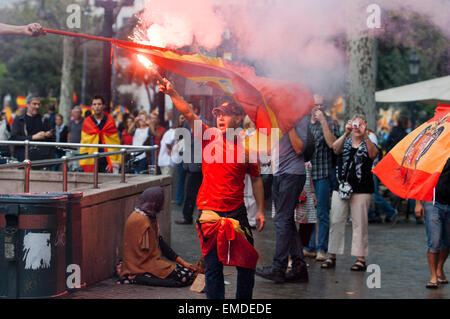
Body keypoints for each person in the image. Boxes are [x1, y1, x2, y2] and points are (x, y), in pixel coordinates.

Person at [158, 77, 265, 300]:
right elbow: (188, 113)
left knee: (247, 264)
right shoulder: (208, 136)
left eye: (226, 114)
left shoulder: (247, 148)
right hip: (209, 213)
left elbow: (256, 179)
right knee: (213, 266)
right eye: (218, 113)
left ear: (238, 117)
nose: (220, 118)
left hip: (237, 212)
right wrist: (172, 93)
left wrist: (261, 211)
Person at [256, 114, 310, 284]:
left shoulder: (298, 118)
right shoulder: (277, 118)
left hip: (292, 174)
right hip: (280, 173)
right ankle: (299, 268)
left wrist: (289, 125)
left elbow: (299, 147)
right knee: (286, 221)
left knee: (282, 220)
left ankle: (278, 267)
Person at [321, 114, 378, 271]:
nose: (357, 127)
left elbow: (373, 154)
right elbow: (335, 148)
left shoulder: (369, 141)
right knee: (336, 220)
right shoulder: (345, 140)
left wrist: (365, 134)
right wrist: (346, 133)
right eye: (355, 124)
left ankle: (360, 258)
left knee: (360, 223)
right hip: (341, 187)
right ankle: (332, 255)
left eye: (361, 124)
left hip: (362, 189)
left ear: (365, 125)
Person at [118, 187, 199, 287]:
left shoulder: (149, 217)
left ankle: (141, 277)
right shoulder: (141, 220)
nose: (163, 205)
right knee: (184, 277)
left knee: (187, 273)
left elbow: (161, 244)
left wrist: (184, 263)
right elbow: (143, 255)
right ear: (155, 202)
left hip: (149, 262)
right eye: (162, 201)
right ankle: (136, 278)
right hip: (140, 265)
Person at [304, 94, 340, 262]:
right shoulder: (304, 124)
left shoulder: (331, 122)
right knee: (308, 213)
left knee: (322, 213)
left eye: (321, 105)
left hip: (323, 172)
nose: (318, 108)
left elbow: (333, 145)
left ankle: (321, 248)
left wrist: (323, 122)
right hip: (305, 175)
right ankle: (309, 246)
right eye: (315, 105)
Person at [415, 157, 450, 289]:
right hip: (432, 201)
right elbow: (421, 176)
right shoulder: (435, 151)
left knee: (447, 242)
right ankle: (433, 276)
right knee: (434, 241)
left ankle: (439, 268)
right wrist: (418, 203)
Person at [176, 106, 203, 225]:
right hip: (188, 163)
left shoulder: (203, 123)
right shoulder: (186, 123)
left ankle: (200, 216)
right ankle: (187, 216)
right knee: (190, 190)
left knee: (198, 191)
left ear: (196, 110)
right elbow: (180, 139)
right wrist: (180, 125)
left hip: (199, 163)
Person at [79, 95, 121, 173]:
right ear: (91, 106)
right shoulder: (87, 122)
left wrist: (112, 162)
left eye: (99, 104)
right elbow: (84, 144)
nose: (97, 107)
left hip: (106, 162)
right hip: (92, 160)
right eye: (94, 104)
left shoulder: (110, 121)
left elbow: (115, 144)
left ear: (103, 106)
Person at [10, 94, 54, 162]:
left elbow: (52, 140)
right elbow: (14, 138)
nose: (37, 106)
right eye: (34, 104)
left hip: (41, 160)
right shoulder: (19, 120)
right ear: (27, 104)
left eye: (38, 104)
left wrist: (48, 135)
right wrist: (33, 137)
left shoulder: (44, 119)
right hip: (23, 159)